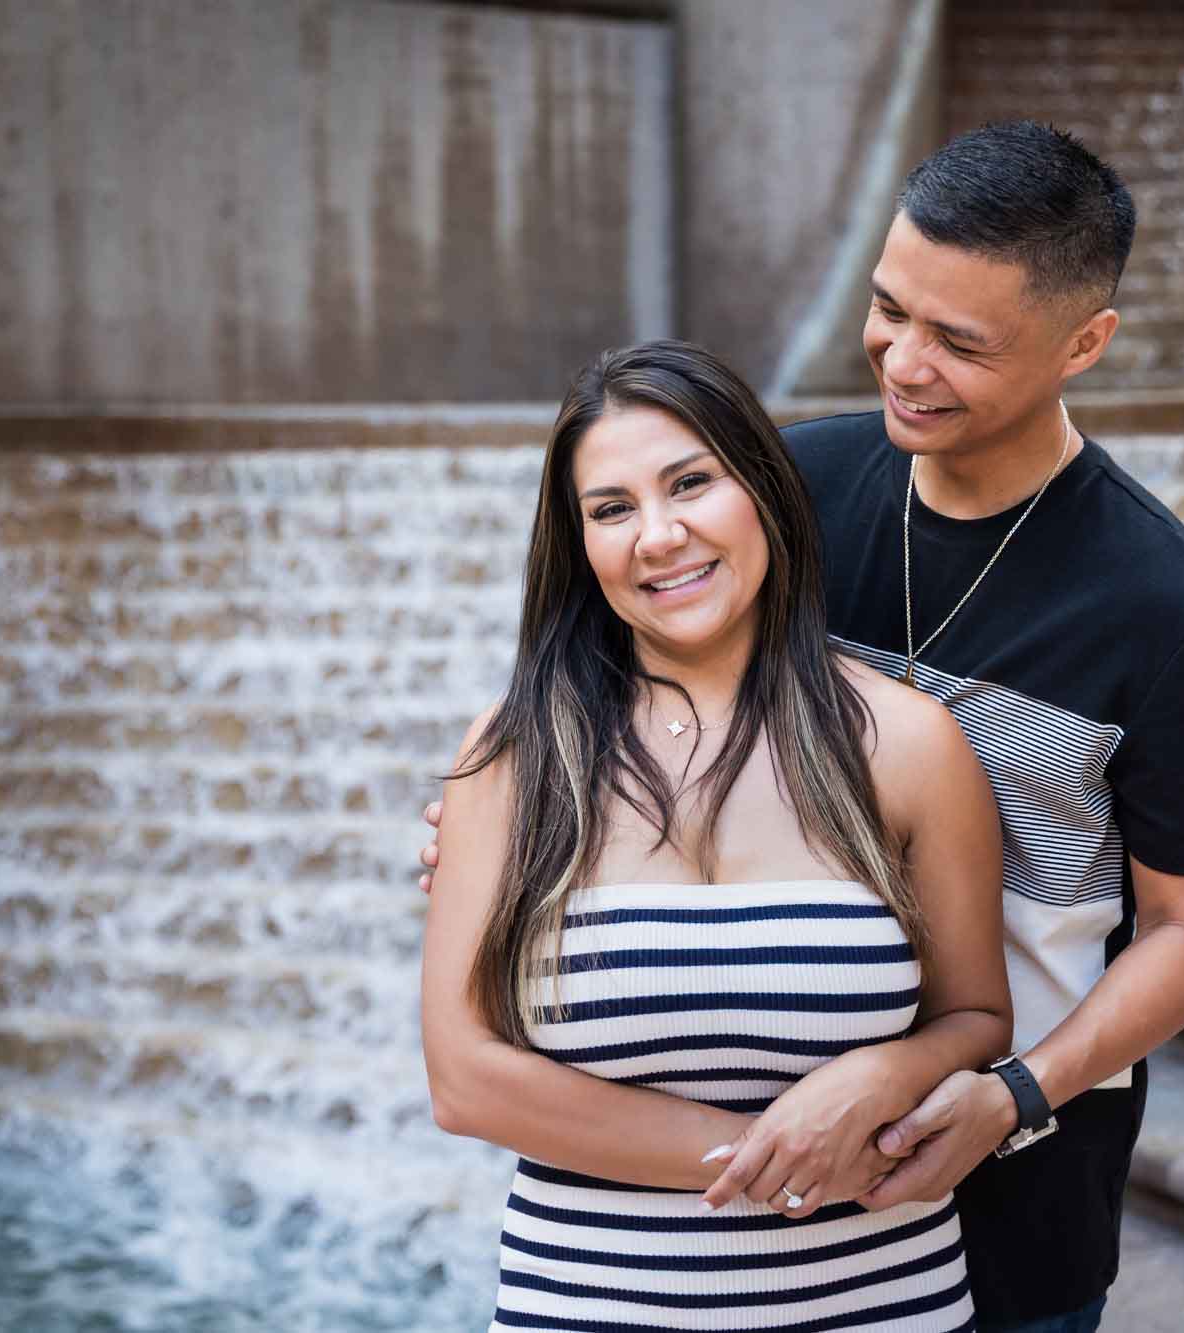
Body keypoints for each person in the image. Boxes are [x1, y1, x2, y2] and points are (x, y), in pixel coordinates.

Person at [425, 121, 1184, 1333]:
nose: (902, 363)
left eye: (958, 342)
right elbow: (606, 688)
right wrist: (490, 826)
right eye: (889, 310)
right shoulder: (791, 489)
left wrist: (1015, 1090)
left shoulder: (1164, 612)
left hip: (1009, 1175)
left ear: (1083, 344)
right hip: (694, 1172)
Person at [420, 339, 1015, 1331]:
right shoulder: (518, 748)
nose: (657, 535)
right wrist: (772, 1164)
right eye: (611, 509)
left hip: (880, 1306)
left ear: (761, 494)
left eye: (690, 483)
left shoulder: (906, 740)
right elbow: (463, 1076)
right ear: (579, 546)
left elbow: (976, 1019)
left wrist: (878, 1075)